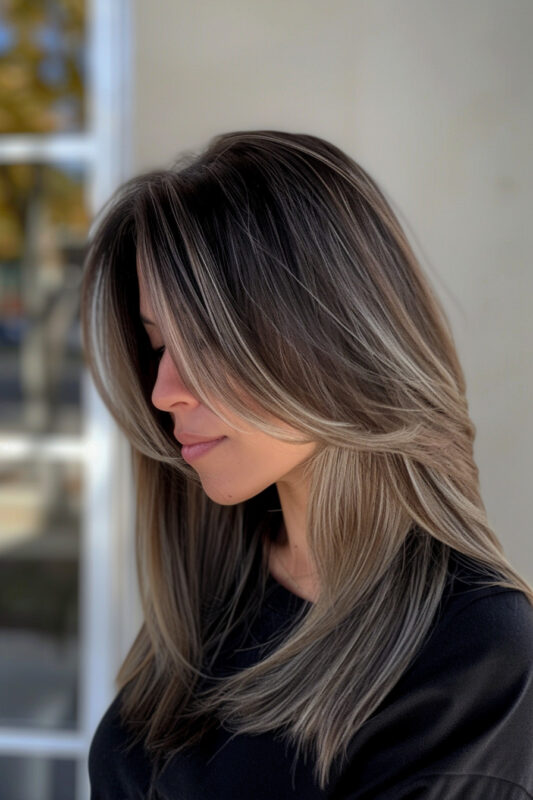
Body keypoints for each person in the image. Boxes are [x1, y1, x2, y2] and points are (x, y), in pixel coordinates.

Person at [81, 130, 533, 799]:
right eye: (156, 346)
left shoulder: (469, 655)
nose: (162, 391)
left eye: (204, 340)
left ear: (328, 336)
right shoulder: (219, 583)